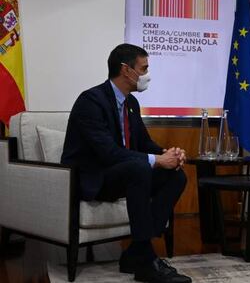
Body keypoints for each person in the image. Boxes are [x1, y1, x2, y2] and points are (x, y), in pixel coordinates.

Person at [61, 43, 192, 283]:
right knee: (140, 167)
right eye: (144, 68)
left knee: (176, 175)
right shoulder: (90, 101)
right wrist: (156, 160)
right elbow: (109, 153)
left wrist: (168, 154)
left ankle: (136, 252)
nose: (147, 75)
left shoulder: (131, 103)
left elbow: (143, 143)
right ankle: (144, 260)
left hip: (123, 174)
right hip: (93, 178)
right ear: (126, 70)